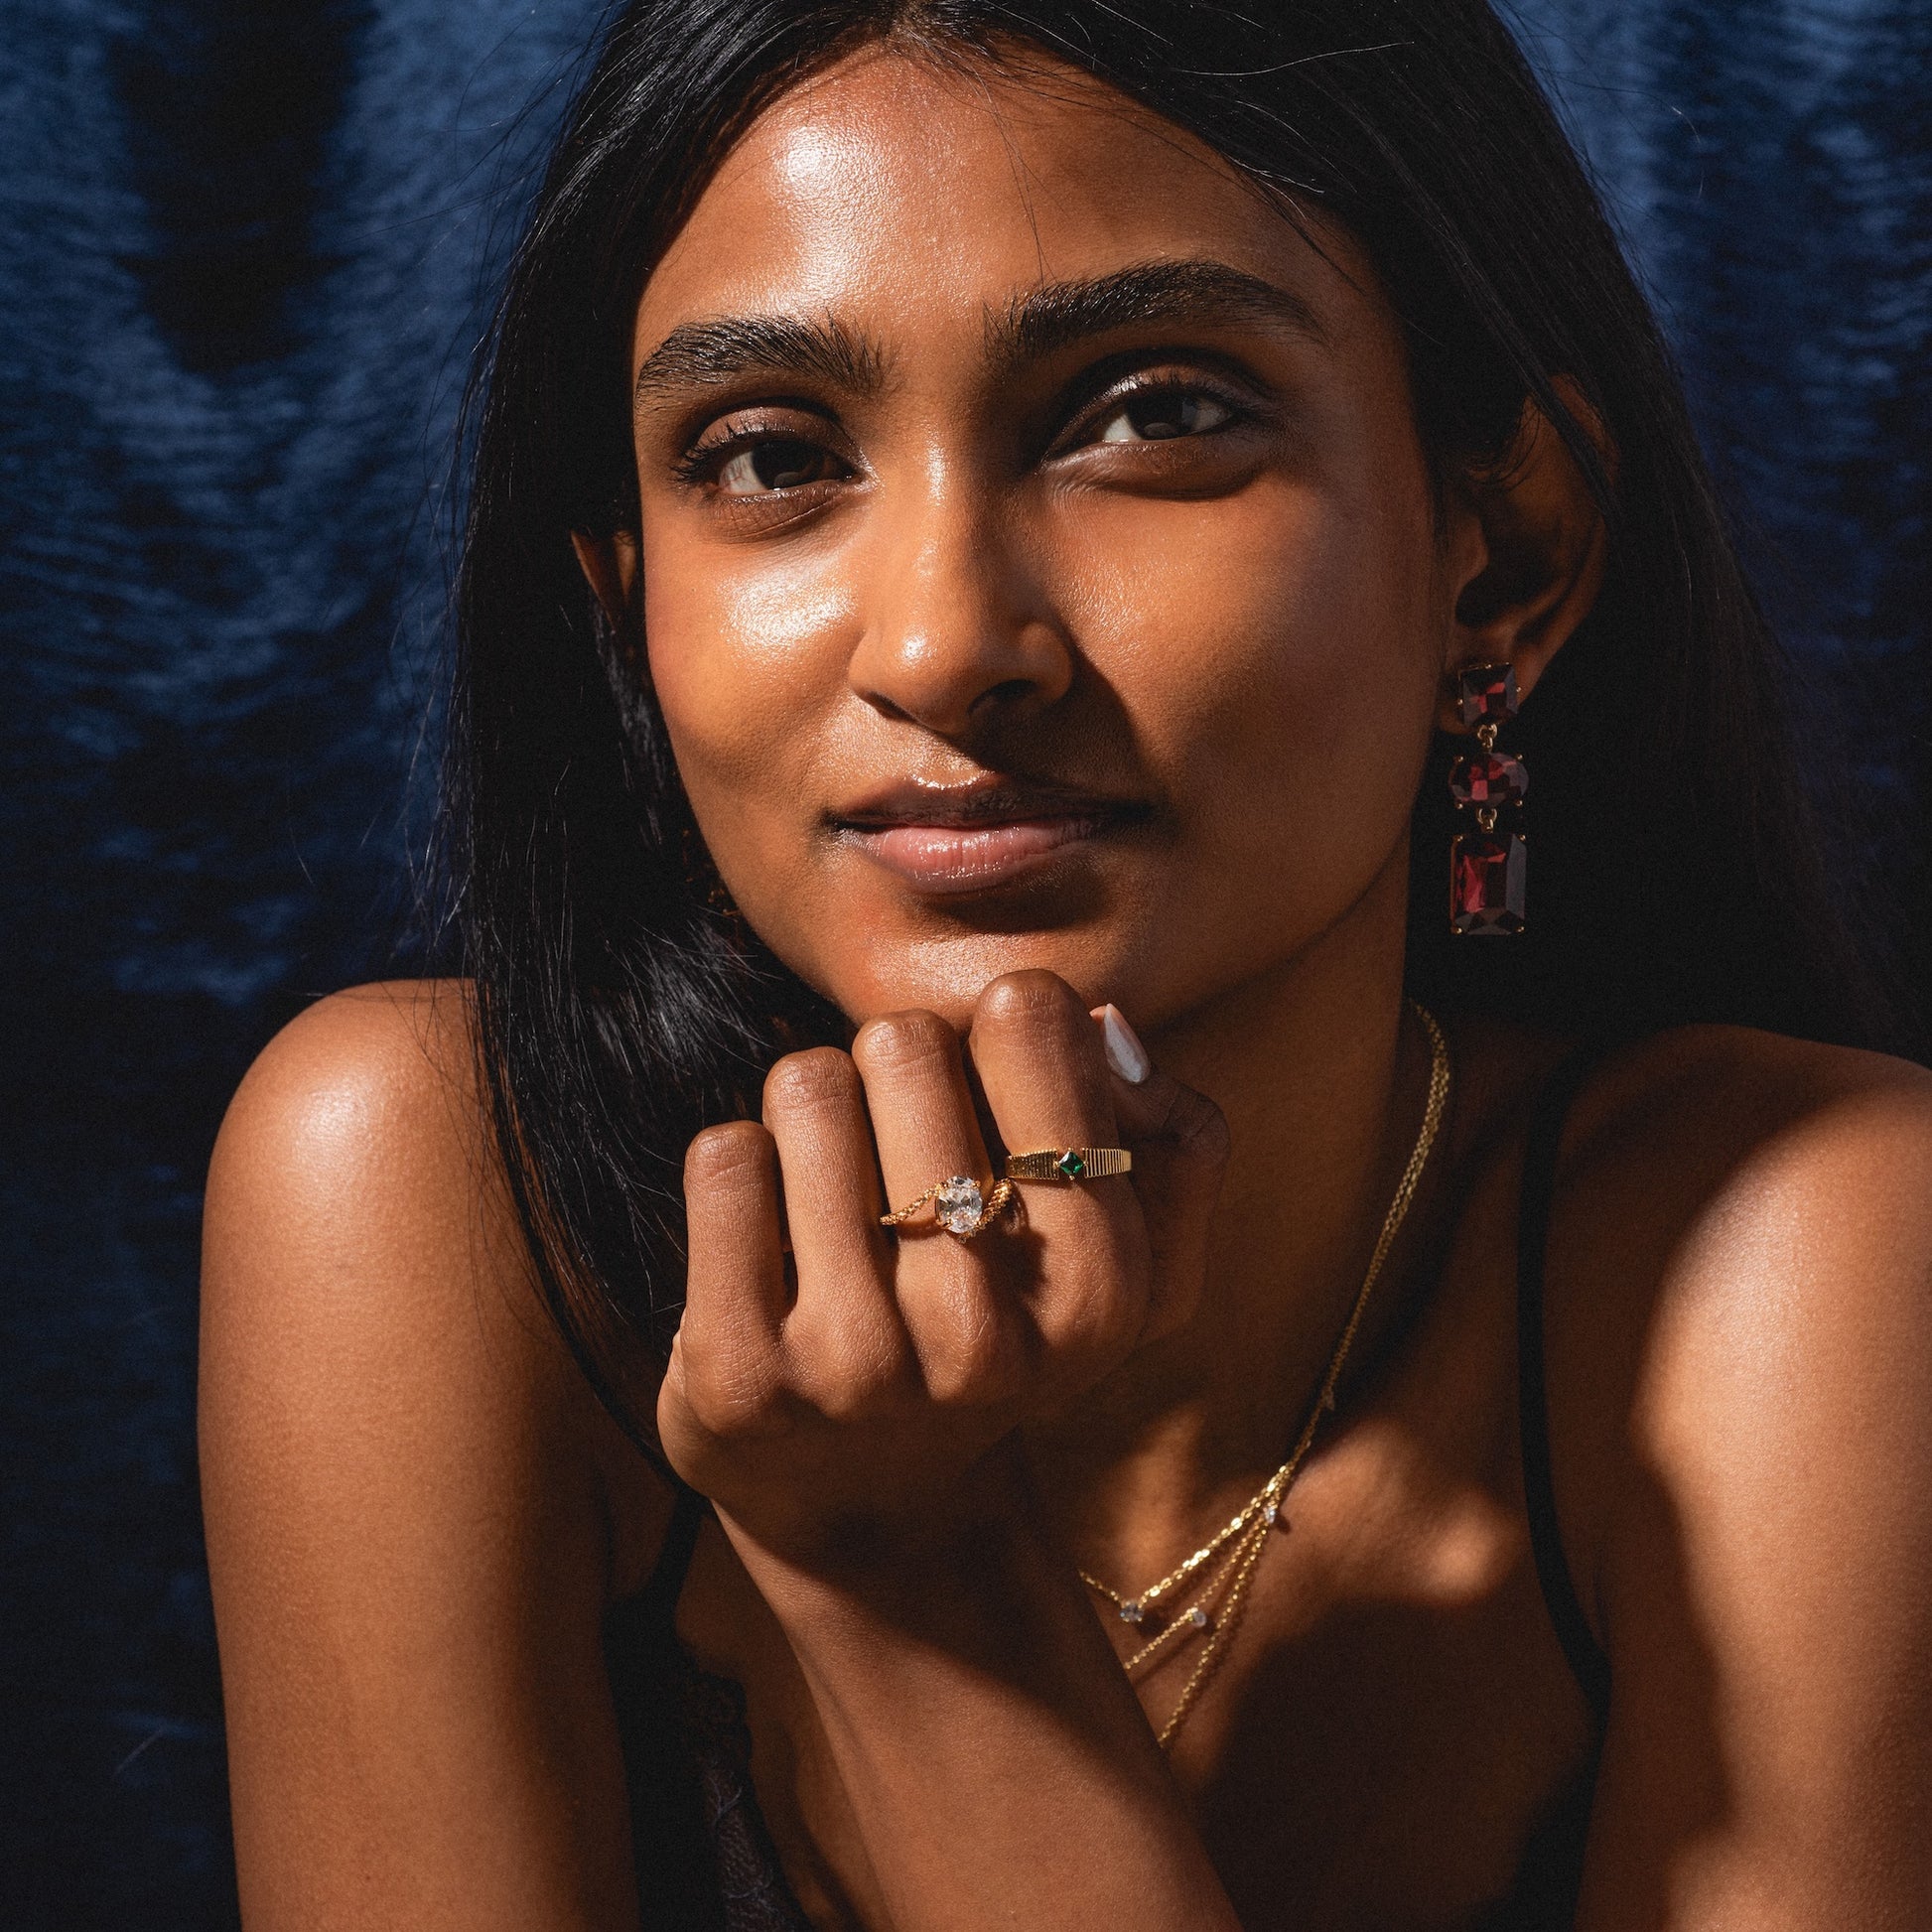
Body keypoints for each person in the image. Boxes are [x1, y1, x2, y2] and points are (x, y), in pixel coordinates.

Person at [197, 2, 1932, 1926]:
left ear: (1502, 547)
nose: (944, 646)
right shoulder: (433, 1195)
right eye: (770, 454)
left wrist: (912, 1583)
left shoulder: (1804, 1261)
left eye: (1155, 413)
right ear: (628, 607)